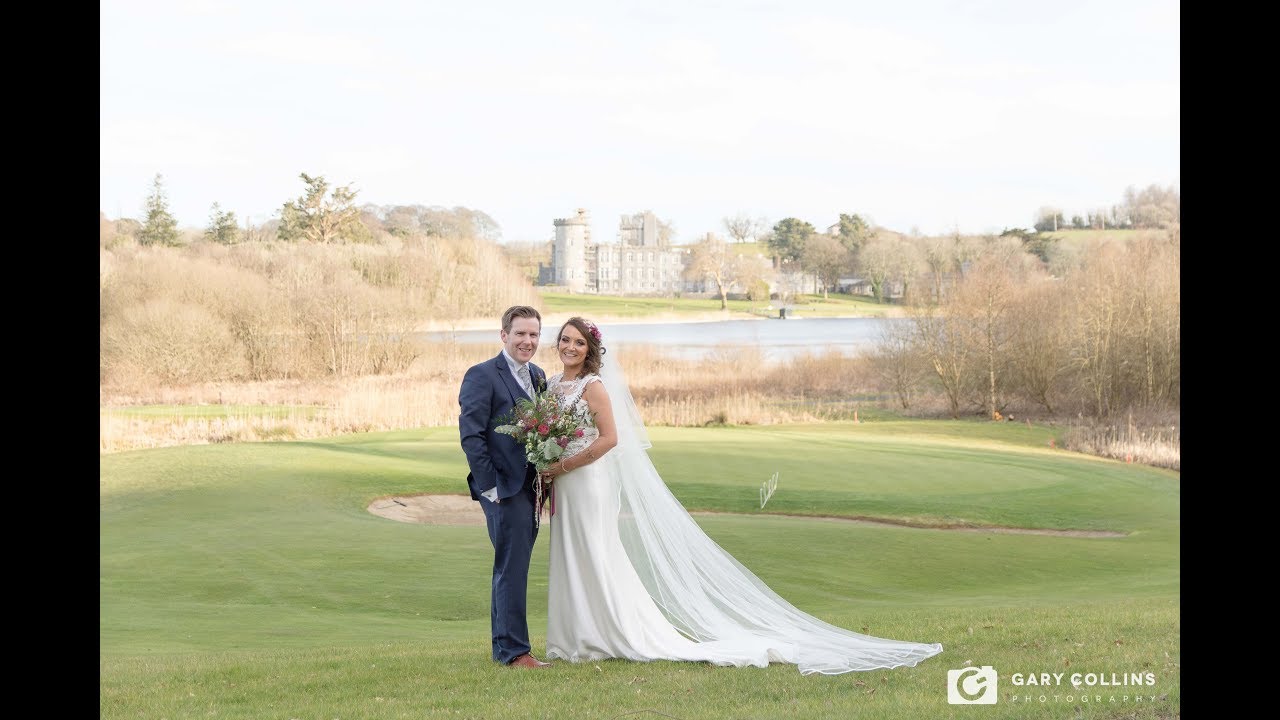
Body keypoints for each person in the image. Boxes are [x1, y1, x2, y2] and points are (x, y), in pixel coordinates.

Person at [538, 317, 943, 674]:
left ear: (590, 350)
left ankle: (604, 635)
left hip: (588, 481)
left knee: (595, 552)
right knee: (568, 552)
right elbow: (548, 430)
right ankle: (571, 639)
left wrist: (566, 465)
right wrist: (548, 461)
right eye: (565, 340)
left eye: (578, 342)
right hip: (564, 483)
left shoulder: (595, 387)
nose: (569, 347)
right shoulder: (554, 384)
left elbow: (611, 439)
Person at [458, 305, 551, 669]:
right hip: (504, 490)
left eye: (534, 335)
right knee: (511, 568)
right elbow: (472, 437)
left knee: (514, 566)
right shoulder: (482, 375)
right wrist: (491, 488)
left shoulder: (539, 376)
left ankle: (507, 650)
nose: (527, 341)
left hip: (532, 489)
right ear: (504, 336)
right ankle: (515, 652)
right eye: (520, 334)